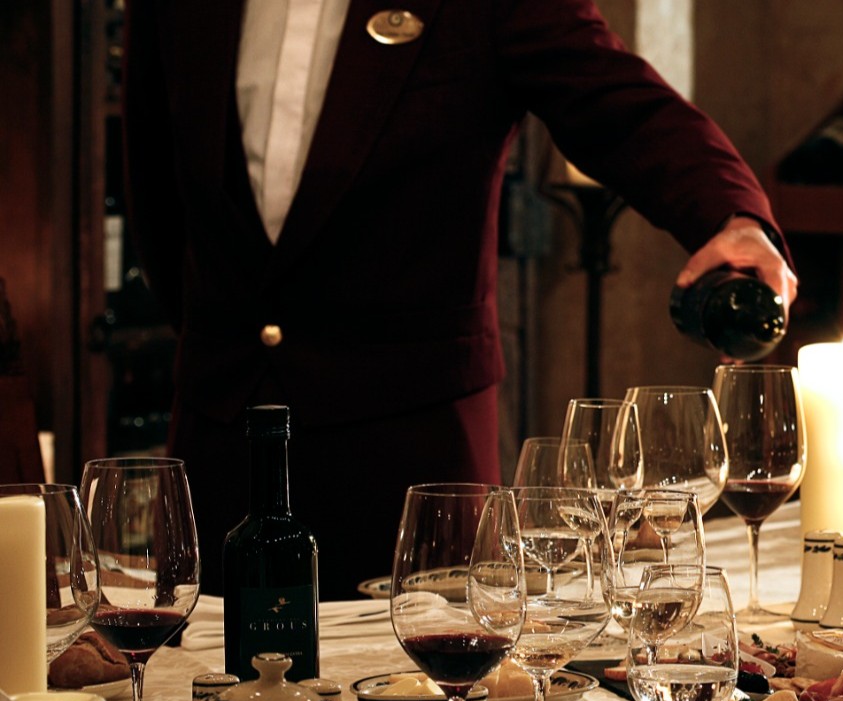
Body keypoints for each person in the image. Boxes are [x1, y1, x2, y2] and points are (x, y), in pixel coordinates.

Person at [123, 0, 795, 597]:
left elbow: (622, 108)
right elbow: (152, 184)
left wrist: (731, 220)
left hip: (410, 466)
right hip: (219, 452)